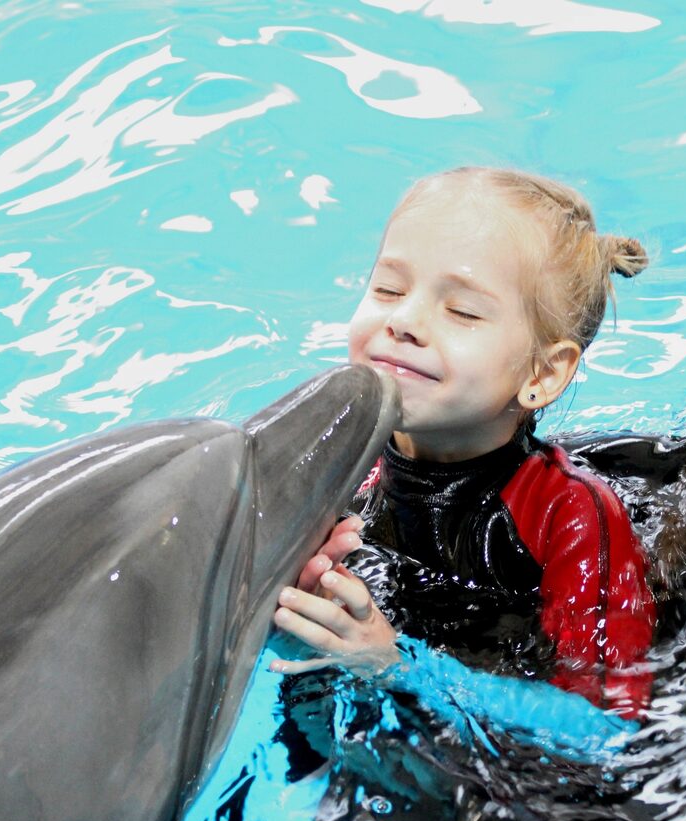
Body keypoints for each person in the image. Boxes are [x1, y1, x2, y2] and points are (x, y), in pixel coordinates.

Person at [269, 165, 656, 720]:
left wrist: (396, 667)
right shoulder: (347, 476)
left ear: (542, 375)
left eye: (462, 311)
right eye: (388, 288)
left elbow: (601, 721)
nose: (403, 320)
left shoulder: (575, 517)